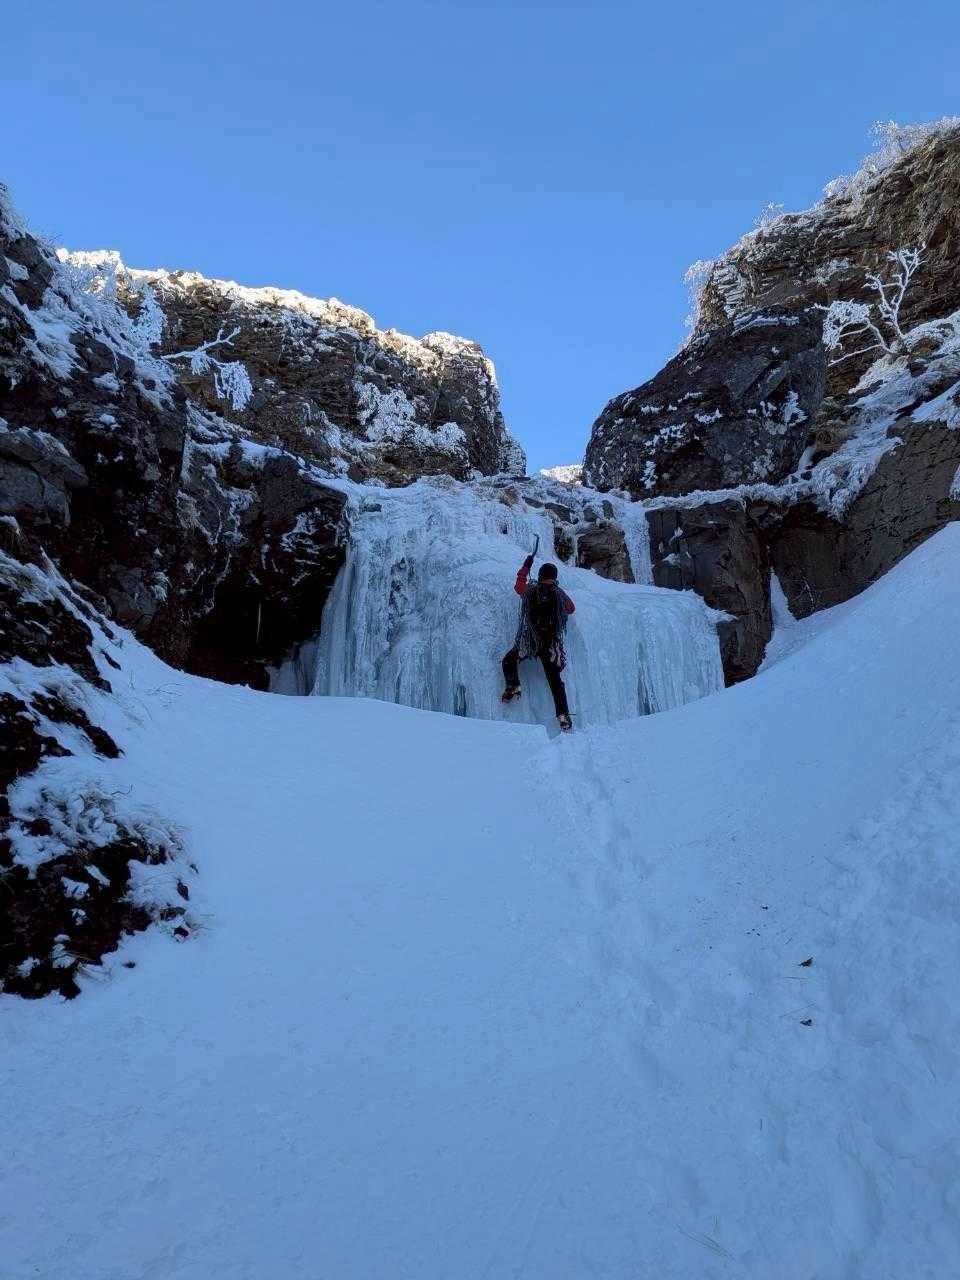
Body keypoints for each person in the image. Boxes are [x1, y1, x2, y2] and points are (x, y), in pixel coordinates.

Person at [501, 554, 575, 731]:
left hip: (531, 640)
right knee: (555, 681)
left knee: (509, 660)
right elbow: (571, 608)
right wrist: (558, 591)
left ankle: (513, 686)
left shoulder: (531, 591)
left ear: (540, 575)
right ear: (554, 577)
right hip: (550, 644)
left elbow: (518, 586)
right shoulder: (558, 594)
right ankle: (563, 716)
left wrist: (526, 566)